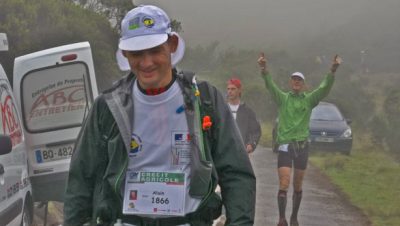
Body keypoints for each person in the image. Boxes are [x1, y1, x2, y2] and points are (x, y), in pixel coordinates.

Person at [63, 5, 256, 226]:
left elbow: (237, 174)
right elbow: (81, 179)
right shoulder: (108, 107)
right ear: (125, 54)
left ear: (171, 45)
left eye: (155, 50)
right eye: (137, 53)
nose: (146, 63)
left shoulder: (204, 100)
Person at [257, 53, 341, 226]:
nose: (296, 82)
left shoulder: (309, 100)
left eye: (299, 80)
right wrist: (264, 69)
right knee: (284, 181)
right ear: (290, 82)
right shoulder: (283, 98)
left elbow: (323, 89)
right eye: (294, 79)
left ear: (303, 84)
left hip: (302, 146)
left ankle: (294, 217)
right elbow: (270, 85)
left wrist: (332, 71)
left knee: (298, 184)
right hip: (286, 145)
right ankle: (282, 219)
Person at [226, 78, 261, 153]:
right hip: (224, 153)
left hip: (242, 153)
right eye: (228, 89)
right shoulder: (222, 109)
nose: (230, 91)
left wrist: (251, 144)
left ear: (239, 90)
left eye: (233, 89)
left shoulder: (247, 112)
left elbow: (256, 131)